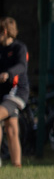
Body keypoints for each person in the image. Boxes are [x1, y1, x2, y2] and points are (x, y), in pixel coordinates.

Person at [0, 18, 28, 168]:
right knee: (11, 127)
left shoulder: (19, 48)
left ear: (4, 32)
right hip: (2, 94)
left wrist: (8, 74)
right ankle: (17, 165)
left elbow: (22, 66)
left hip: (16, 92)